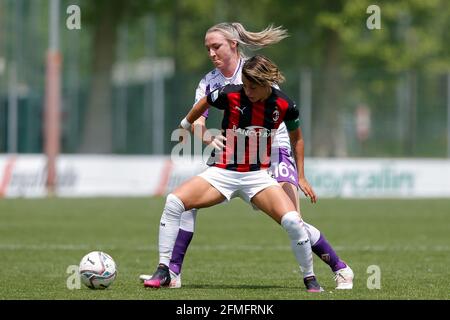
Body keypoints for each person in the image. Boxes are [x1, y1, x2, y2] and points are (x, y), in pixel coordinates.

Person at [141, 22, 353, 290]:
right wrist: (206, 136)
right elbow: (197, 118)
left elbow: (282, 115)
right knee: (185, 204)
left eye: (216, 46)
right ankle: (171, 273)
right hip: (234, 158)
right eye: (207, 48)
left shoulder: (256, 73)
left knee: (292, 221)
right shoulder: (209, 82)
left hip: (276, 152)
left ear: (233, 44)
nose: (211, 53)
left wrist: (300, 174)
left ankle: (339, 268)